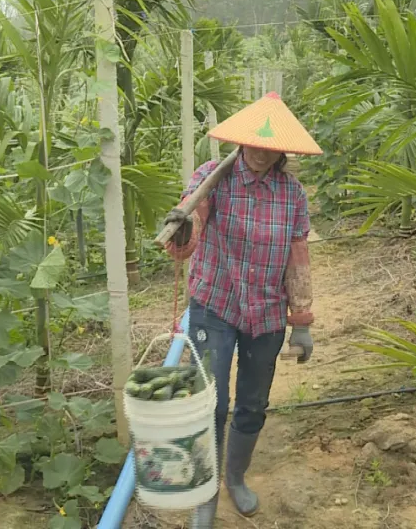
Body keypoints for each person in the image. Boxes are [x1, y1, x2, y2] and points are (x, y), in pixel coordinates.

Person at [162, 92, 322, 528]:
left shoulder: (292, 194)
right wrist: (183, 226)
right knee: (209, 402)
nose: (260, 153)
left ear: (282, 151)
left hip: (265, 314)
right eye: (253, 144)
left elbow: (297, 257)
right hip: (215, 304)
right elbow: (191, 230)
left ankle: (234, 476)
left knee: (253, 404)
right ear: (240, 141)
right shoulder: (212, 177)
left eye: (270, 148)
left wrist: (301, 321)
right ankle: (205, 492)